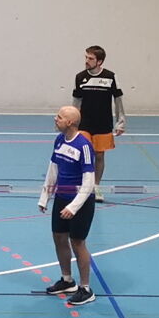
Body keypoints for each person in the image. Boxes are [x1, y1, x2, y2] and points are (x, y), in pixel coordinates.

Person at [38, 104, 99, 306]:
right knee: (59, 238)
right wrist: (45, 196)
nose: (55, 119)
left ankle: (86, 289)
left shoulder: (84, 146)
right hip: (61, 198)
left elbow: (89, 182)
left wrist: (73, 207)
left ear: (70, 122)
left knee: (77, 242)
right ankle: (67, 281)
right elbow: (53, 169)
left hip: (80, 202)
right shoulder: (59, 140)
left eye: (59, 117)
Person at [71, 45, 126, 200]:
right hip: (84, 123)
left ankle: (96, 186)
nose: (86, 61)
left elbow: (118, 100)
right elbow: (76, 102)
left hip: (103, 123)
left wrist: (120, 122)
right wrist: (72, 122)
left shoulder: (110, 77)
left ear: (99, 61)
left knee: (99, 155)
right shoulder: (80, 77)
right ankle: (83, 186)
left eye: (91, 58)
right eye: (86, 57)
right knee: (82, 154)